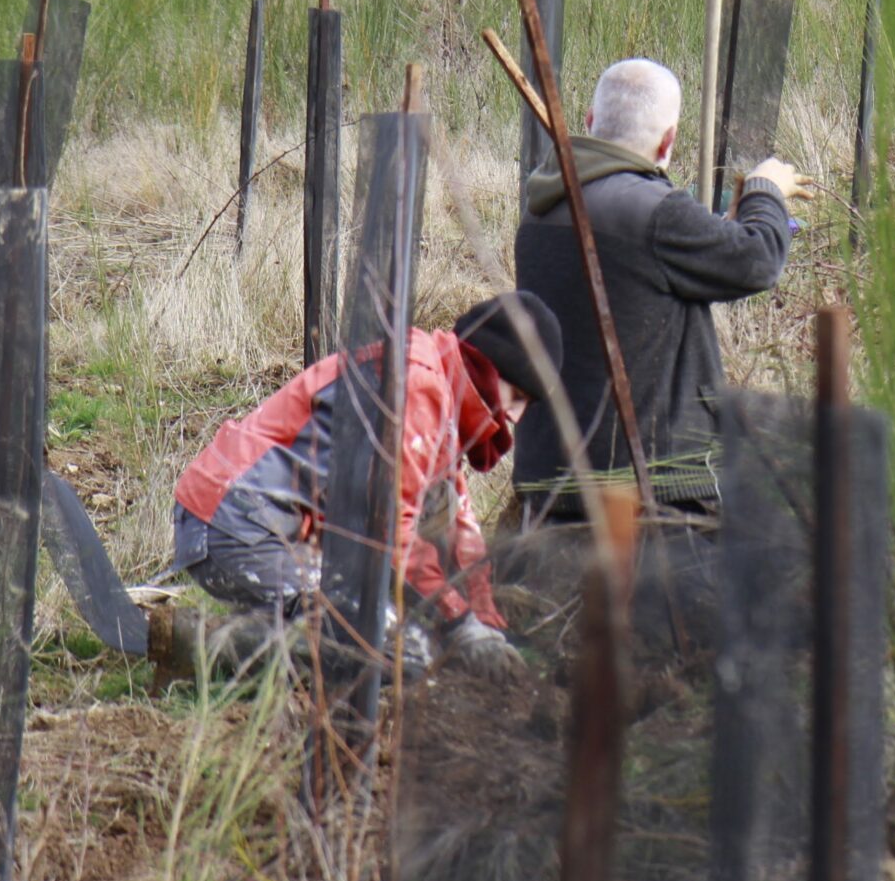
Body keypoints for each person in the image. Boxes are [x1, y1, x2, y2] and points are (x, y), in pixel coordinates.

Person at [169, 291, 564, 665]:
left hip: (260, 525)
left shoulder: (440, 392)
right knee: (398, 651)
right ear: (488, 367)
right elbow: (394, 527)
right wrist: (460, 622)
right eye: (517, 396)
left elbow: (458, 525)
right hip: (239, 525)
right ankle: (198, 644)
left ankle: (270, 634)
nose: (514, 416)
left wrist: (484, 618)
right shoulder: (417, 387)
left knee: (394, 635)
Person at [513, 58, 811, 520]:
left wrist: (718, 230)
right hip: (650, 492)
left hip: (550, 485)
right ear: (668, 140)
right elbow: (757, 260)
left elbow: (644, 281)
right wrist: (764, 190)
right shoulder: (657, 212)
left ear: (591, 122)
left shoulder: (539, 214)